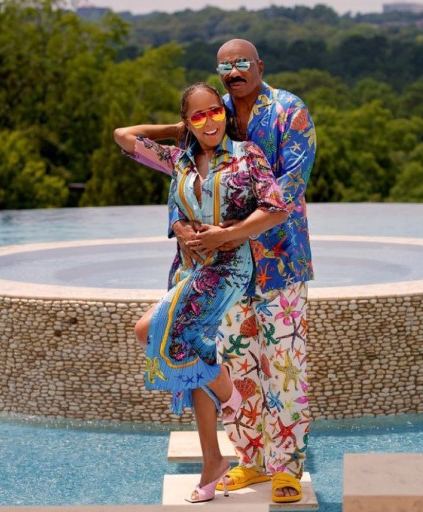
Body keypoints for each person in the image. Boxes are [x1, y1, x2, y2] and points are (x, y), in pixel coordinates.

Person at [113, 82, 290, 503]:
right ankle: (213, 459)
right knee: (194, 355)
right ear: (187, 122)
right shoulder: (178, 160)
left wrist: (226, 235)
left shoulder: (248, 156)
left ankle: (229, 397)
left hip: (228, 266)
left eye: (214, 112)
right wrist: (177, 130)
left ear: (224, 115)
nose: (209, 121)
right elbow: (124, 135)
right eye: (198, 116)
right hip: (187, 268)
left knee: (146, 331)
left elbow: (275, 207)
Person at [170, 39, 316, 504]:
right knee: (238, 367)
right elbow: (182, 159)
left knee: (284, 367)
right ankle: (250, 461)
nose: (234, 71)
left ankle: (286, 468)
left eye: (242, 64)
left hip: (280, 263)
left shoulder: (290, 111)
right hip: (227, 272)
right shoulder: (217, 115)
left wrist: (225, 235)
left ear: (259, 66)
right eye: (225, 66)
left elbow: (287, 194)